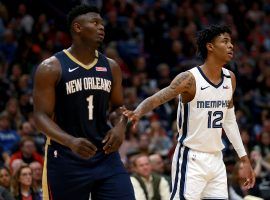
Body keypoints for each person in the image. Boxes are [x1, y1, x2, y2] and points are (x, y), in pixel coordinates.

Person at [123, 25, 256, 199]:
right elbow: (158, 97)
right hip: (191, 158)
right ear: (210, 46)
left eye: (231, 41)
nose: (231, 45)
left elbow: (229, 121)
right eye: (225, 41)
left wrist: (244, 159)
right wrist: (139, 111)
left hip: (216, 159)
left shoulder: (230, 78)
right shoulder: (189, 79)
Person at [33, 4, 135, 200]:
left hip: (105, 155)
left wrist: (121, 126)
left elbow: (118, 108)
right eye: (95, 23)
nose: (101, 27)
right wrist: (70, 141)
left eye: (102, 23)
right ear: (77, 27)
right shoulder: (51, 67)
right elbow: (39, 117)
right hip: (65, 156)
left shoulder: (111, 66)